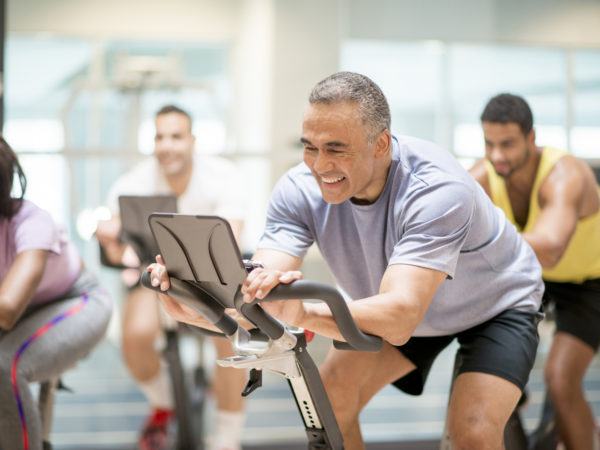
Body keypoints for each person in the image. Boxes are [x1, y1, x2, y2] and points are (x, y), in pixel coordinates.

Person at [147, 72, 545, 449]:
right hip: (395, 304)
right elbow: (263, 285)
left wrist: (300, 313)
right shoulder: (299, 190)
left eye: (336, 149)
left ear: (381, 144)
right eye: (309, 146)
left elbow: (402, 315)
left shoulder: (437, 188)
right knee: (332, 405)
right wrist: (205, 304)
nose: (320, 166)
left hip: (495, 305)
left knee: (473, 434)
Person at [95, 105, 247, 450]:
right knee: (134, 335)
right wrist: (110, 238)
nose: (167, 146)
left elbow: (232, 240)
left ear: (192, 140)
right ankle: (163, 404)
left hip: (210, 276)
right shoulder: (130, 182)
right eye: (160, 137)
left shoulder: (224, 176)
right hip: (153, 275)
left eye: (176, 136)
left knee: (231, 340)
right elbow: (120, 255)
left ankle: (227, 439)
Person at [469, 93, 600, 450]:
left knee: (560, 380)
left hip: (588, 281)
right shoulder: (481, 175)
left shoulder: (564, 174)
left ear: (531, 138)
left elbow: (552, 248)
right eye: (489, 144)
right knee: (487, 370)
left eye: (508, 144)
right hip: (530, 277)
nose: (497, 155)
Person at [0, 136, 112, 450]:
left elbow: (7, 310)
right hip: (26, 313)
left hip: (78, 300)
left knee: (6, 364)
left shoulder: (32, 221)